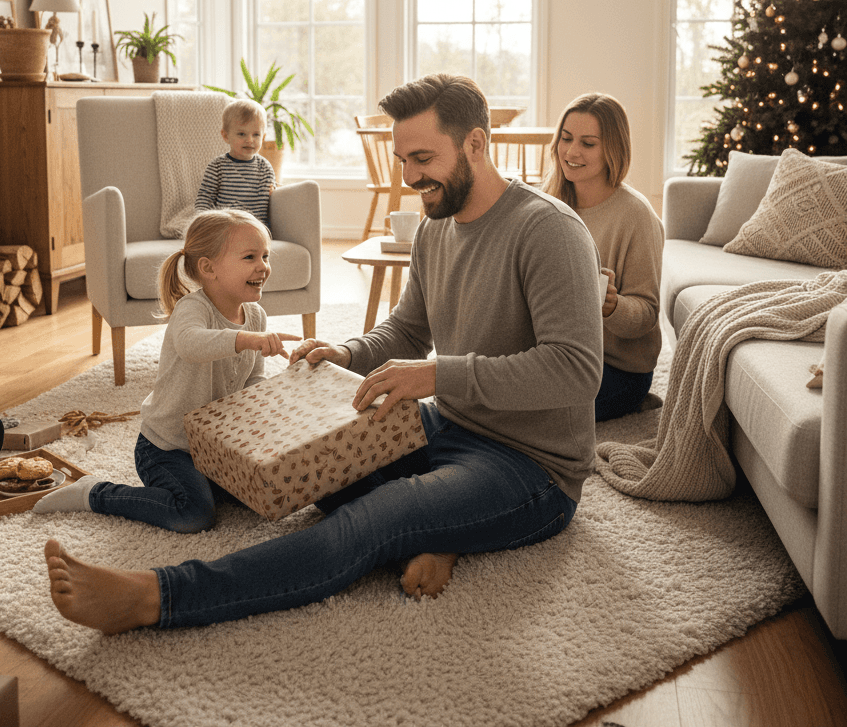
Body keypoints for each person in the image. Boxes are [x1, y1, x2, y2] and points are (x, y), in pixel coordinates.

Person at [43, 73, 603, 634]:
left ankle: (158, 597)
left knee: (371, 519)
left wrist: (437, 375)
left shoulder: (549, 231)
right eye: (402, 158)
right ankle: (440, 528)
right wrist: (342, 352)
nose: (409, 177)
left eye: (423, 158)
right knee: (322, 470)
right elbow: (407, 332)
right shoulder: (436, 232)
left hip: (531, 467)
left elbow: (576, 371)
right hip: (446, 427)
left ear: (476, 145)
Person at [33, 208, 294, 530]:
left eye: (265, 256)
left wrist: (268, 405)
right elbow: (191, 343)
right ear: (208, 268)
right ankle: (95, 493)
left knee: (265, 496)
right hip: (168, 447)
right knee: (194, 514)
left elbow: (252, 377)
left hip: (215, 446)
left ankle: (209, 485)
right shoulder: (193, 308)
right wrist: (244, 339)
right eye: (250, 257)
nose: (263, 267)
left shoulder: (256, 316)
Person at [541, 92, 664, 421]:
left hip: (616, 368)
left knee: (525, 415)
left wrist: (612, 306)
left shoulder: (636, 216)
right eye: (566, 139)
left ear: (612, 148)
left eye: (588, 143)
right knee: (480, 387)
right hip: (553, 352)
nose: (572, 151)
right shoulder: (545, 204)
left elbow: (647, 314)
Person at [195, 98, 276, 227]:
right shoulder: (217, 166)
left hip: (255, 227)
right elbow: (205, 198)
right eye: (242, 134)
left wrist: (276, 190)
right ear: (226, 136)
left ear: (263, 137)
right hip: (225, 226)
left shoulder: (265, 167)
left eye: (256, 134)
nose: (250, 140)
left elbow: (272, 198)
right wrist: (203, 223)